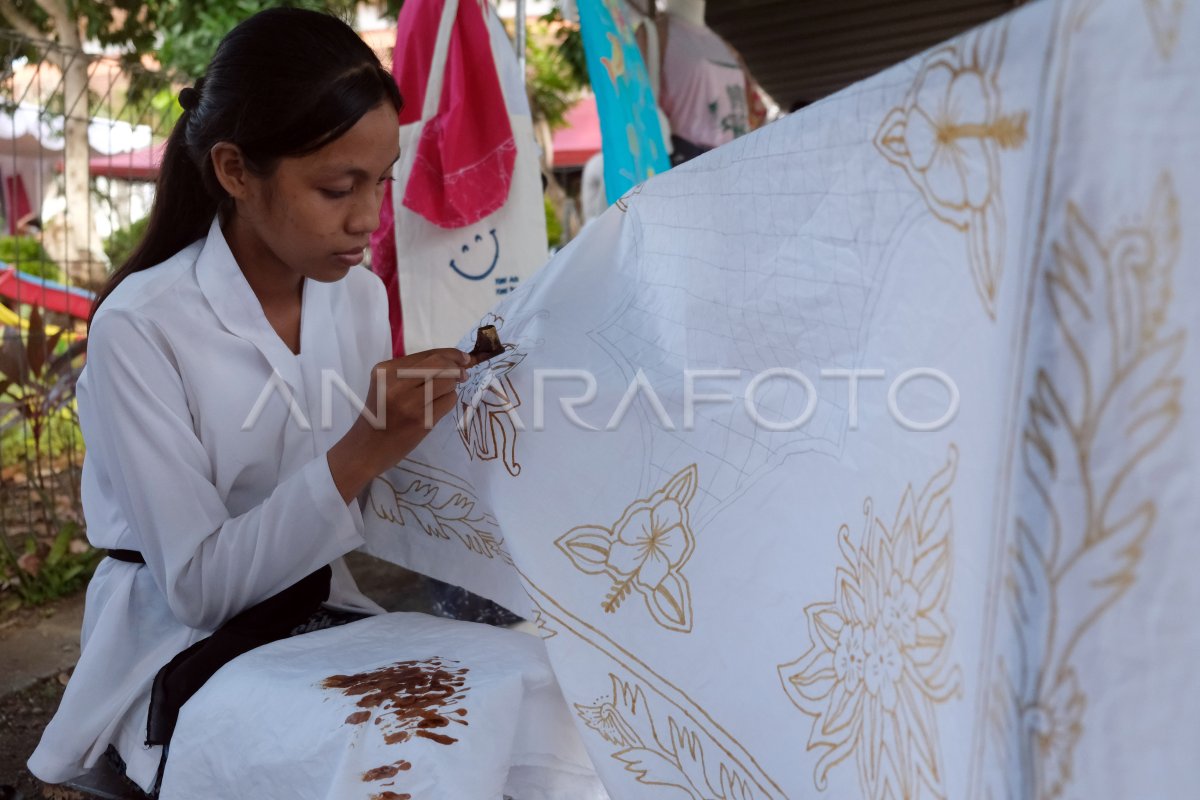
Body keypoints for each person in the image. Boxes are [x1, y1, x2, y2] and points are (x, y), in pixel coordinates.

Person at [26, 10, 591, 798]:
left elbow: (373, 493)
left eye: (382, 182)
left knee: (554, 690)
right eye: (337, 187)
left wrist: (485, 429)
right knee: (408, 762)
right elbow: (199, 588)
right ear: (233, 171)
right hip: (184, 644)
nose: (368, 219)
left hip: (327, 612)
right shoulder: (140, 326)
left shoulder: (354, 295)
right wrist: (368, 443)